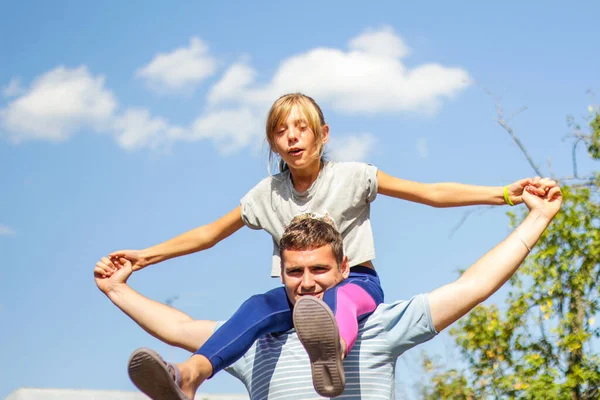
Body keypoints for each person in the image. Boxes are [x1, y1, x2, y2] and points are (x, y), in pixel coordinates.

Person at [102, 93, 548, 397]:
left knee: (339, 300)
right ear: (273, 141)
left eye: (302, 128)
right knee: (258, 307)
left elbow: (428, 193)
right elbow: (208, 235)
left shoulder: (353, 176)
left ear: (323, 134)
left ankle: (331, 351)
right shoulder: (266, 195)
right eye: (281, 131)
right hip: (294, 305)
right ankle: (189, 376)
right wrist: (145, 256)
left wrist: (504, 194)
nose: (293, 137)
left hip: (357, 285)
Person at [95, 181, 561, 399]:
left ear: (343, 268)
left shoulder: (379, 327)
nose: (308, 282)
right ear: (280, 271)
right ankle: (189, 377)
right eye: (295, 272)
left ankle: (333, 348)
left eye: (319, 269)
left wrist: (536, 218)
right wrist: (117, 290)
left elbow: (472, 286)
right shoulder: (257, 340)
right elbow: (177, 325)